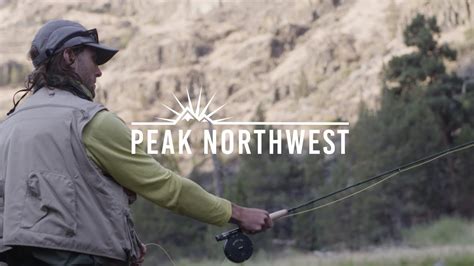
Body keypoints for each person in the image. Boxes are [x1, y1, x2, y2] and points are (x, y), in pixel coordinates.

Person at [0, 19, 272, 265]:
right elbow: (165, 187)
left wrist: (120, 240)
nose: (99, 72)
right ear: (70, 56)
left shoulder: (7, 127)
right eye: (94, 60)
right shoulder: (91, 121)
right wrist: (236, 213)